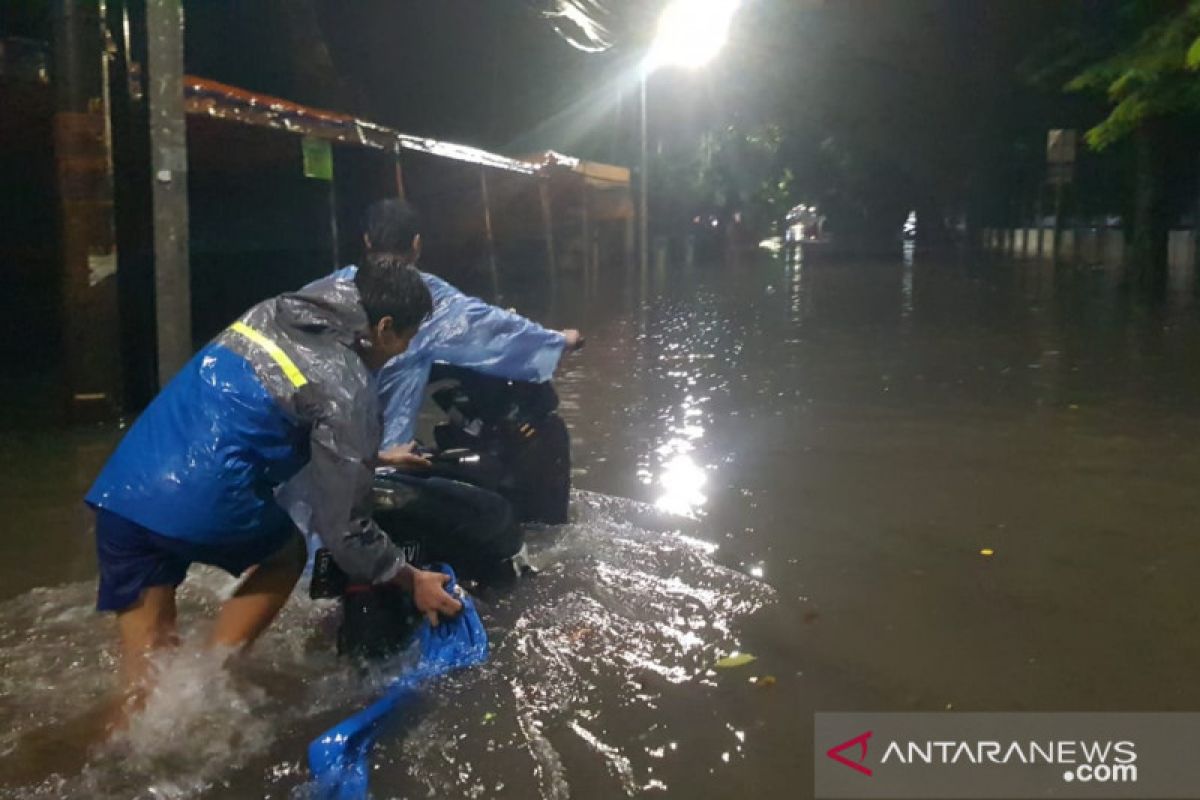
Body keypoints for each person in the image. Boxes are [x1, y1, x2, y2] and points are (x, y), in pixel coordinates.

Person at [85, 258, 462, 725]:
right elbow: (344, 532)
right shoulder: (348, 385)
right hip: (201, 504)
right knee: (289, 552)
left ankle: (114, 744)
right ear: (384, 327)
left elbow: (258, 416)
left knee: (143, 688)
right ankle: (212, 677)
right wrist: (411, 578)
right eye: (406, 336)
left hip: (123, 496)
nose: (404, 348)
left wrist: (376, 457)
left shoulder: (273, 312)